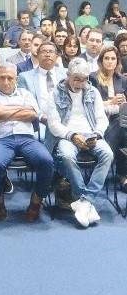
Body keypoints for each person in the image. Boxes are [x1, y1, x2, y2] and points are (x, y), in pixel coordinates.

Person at [0, 65, 54, 222]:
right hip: (0, 140)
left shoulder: (25, 93)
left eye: (10, 78)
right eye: (2, 78)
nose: (6, 81)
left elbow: (32, 114)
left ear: (16, 80)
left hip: (27, 139)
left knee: (47, 161)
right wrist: (20, 110)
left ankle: (36, 202)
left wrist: (4, 112)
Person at [46, 59, 113, 228]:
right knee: (66, 156)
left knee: (108, 154)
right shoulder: (55, 93)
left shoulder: (93, 92)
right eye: (76, 79)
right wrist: (72, 135)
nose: (80, 83)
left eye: (84, 79)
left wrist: (97, 135)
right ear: (68, 75)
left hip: (91, 134)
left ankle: (84, 201)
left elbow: (102, 119)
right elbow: (53, 124)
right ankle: (86, 200)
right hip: (66, 135)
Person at [89, 45, 127, 190]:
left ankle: (121, 174)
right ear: (101, 60)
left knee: (122, 126)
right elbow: (90, 105)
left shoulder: (122, 79)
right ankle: (122, 176)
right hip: (99, 120)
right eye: (107, 58)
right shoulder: (93, 78)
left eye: (113, 58)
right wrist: (111, 102)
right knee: (122, 128)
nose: (110, 61)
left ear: (117, 61)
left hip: (118, 119)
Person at [18, 41, 66, 117]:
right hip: (39, 119)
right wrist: (40, 117)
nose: (47, 55)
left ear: (56, 56)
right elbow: (24, 103)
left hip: (65, 117)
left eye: (51, 52)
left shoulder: (66, 74)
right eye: (44, 51)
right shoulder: (25, 77)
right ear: (37, 55)